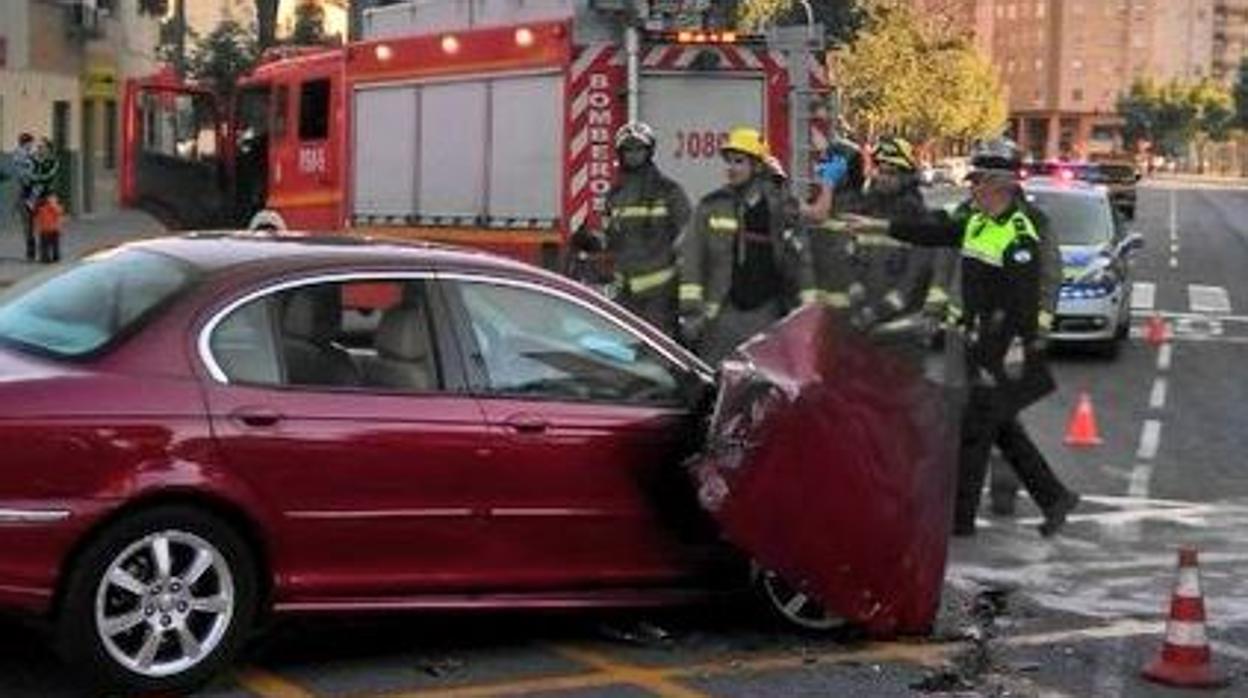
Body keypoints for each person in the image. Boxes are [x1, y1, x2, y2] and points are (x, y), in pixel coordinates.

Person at [843, 166, 1080, 537]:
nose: (973, 193)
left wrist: (1004, 354)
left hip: (998, 347)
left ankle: (960, 519)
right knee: (1000, 428)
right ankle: (1054, 497)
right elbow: (932, 234)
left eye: (979, 186)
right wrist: (874, 227)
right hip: (975, 340)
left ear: (1001, 189)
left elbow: (1021, 302)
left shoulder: (1019, 236)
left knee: (974, 430)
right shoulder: (979, 224)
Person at [677, 127, 818, 362]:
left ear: (757, 166)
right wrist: (691, 314)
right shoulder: (711, 206)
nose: (731, 168)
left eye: (739, 161)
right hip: (719, 317)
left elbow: (801, 261)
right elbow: (691, 259)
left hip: (767, 315)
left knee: (763, 382)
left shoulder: (780, 207)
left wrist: (807, 315)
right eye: (729, 162)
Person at [601, 122, 691, 336]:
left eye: (639, 149)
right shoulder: (615, 194)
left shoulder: (669, 190)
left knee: (657, 353)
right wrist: (593, 241)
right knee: (624, 351)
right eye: (628, 149)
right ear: (620, 153)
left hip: (660, 295)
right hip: (625, 292)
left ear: (649, 151)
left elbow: (688, 239)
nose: (633, 155)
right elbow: (612, 240)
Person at [12, 134, 38, 261]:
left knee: (29, 223)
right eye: (31, 143)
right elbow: (24, 175)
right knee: (29, 223)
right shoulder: (21, 156)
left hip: (28, 191)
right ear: (26, 143)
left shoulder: (26, 154)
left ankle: (31, 250)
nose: (32, 145)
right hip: (26, 192)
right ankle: (31, 251)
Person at [33, 193, 64, 264]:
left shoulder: (56, 208)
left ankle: (52, 257)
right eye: (51, 199)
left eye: (54, 199)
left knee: (51, 245)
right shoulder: (43, 209)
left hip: (51, 230)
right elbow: (38, 219)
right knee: (49, 245)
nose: (53, 201)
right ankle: (49, 257)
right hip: (47, 230)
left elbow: (59, 217)